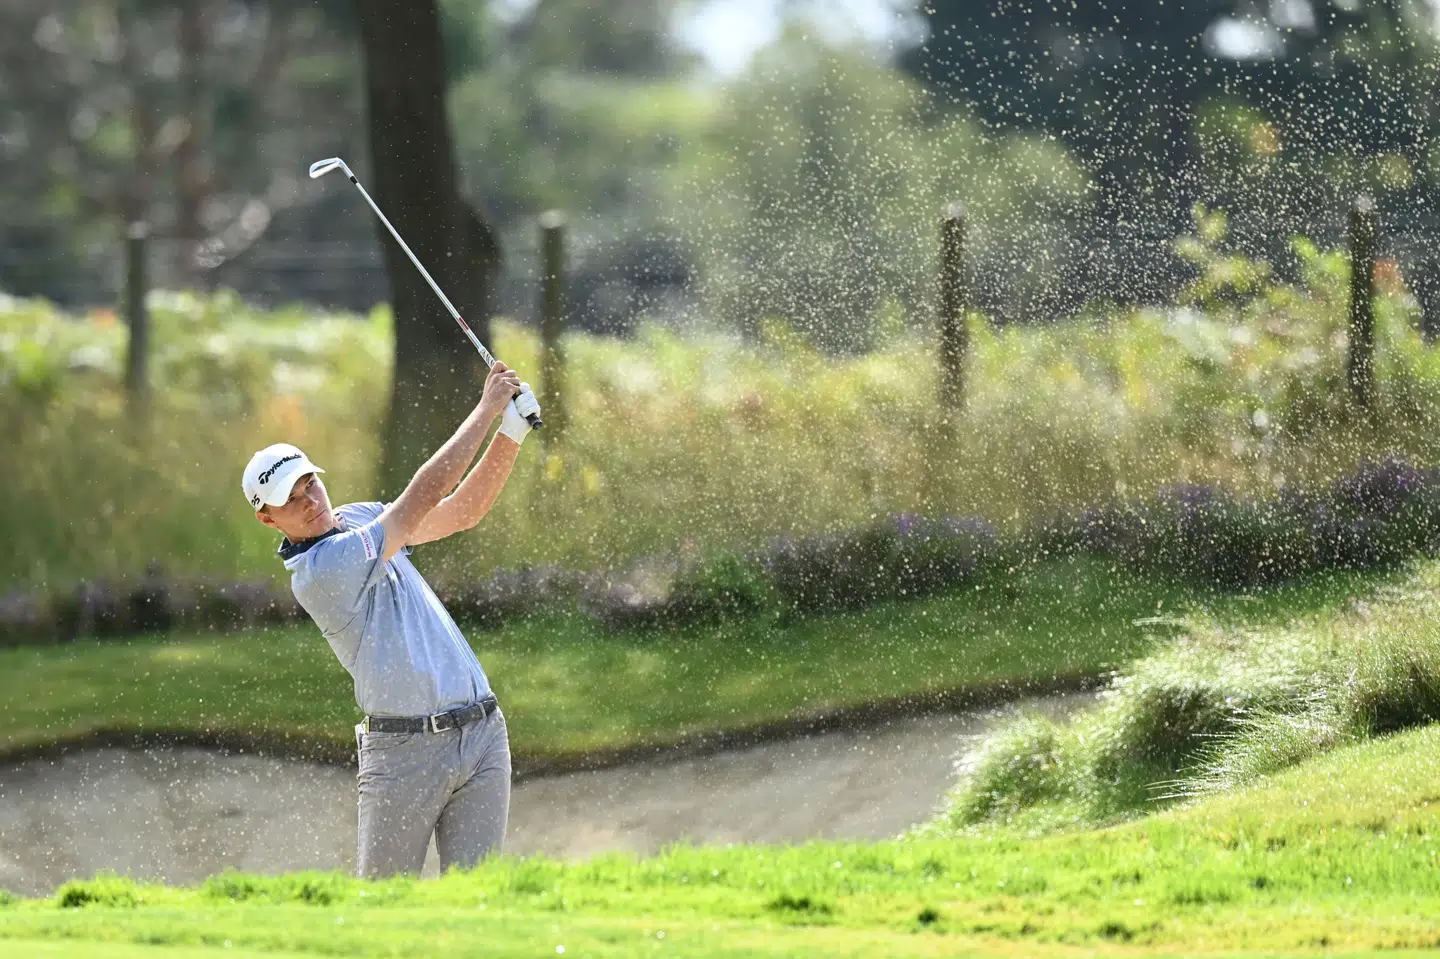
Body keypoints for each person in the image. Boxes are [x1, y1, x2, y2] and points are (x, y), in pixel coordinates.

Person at [240, 361, 539, 878]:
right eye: (289, 500)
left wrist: (511, 431)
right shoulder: (319, 571)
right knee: (383, 907)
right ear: (268, 518)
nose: (308, 501)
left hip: (484, 732)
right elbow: (422, 493)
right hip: (405, 753)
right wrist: (489, 407)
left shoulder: (357, 519)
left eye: (308, 484)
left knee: (479, 905)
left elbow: (460, 510)